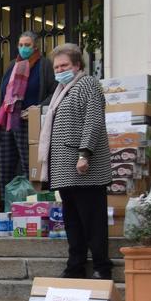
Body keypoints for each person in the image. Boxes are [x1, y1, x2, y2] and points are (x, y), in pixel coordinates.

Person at [38, 43, 112, 280]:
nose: (60, 69)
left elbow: (93, 120)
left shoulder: (87, 84)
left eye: (64, 65)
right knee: (73, 222)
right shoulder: (61, 89)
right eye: (57, 66)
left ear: (77, 65)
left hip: (85, 168)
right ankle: (76, 265)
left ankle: (102, 265)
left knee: (92, 221)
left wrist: (84, 153)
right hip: (64, 169)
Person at [0, 31, 57, 200]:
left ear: (35, 46)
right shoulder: (12, 66)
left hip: (30, 122)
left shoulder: (44, 65)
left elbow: (55, 93)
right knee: (5, 166)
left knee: (30, 166)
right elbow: (3, 95)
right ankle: (7, 206)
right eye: (21, 45)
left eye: (27, 45)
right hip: (8, 121)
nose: (23, 48)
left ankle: (33, 204)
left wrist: (37, 108)